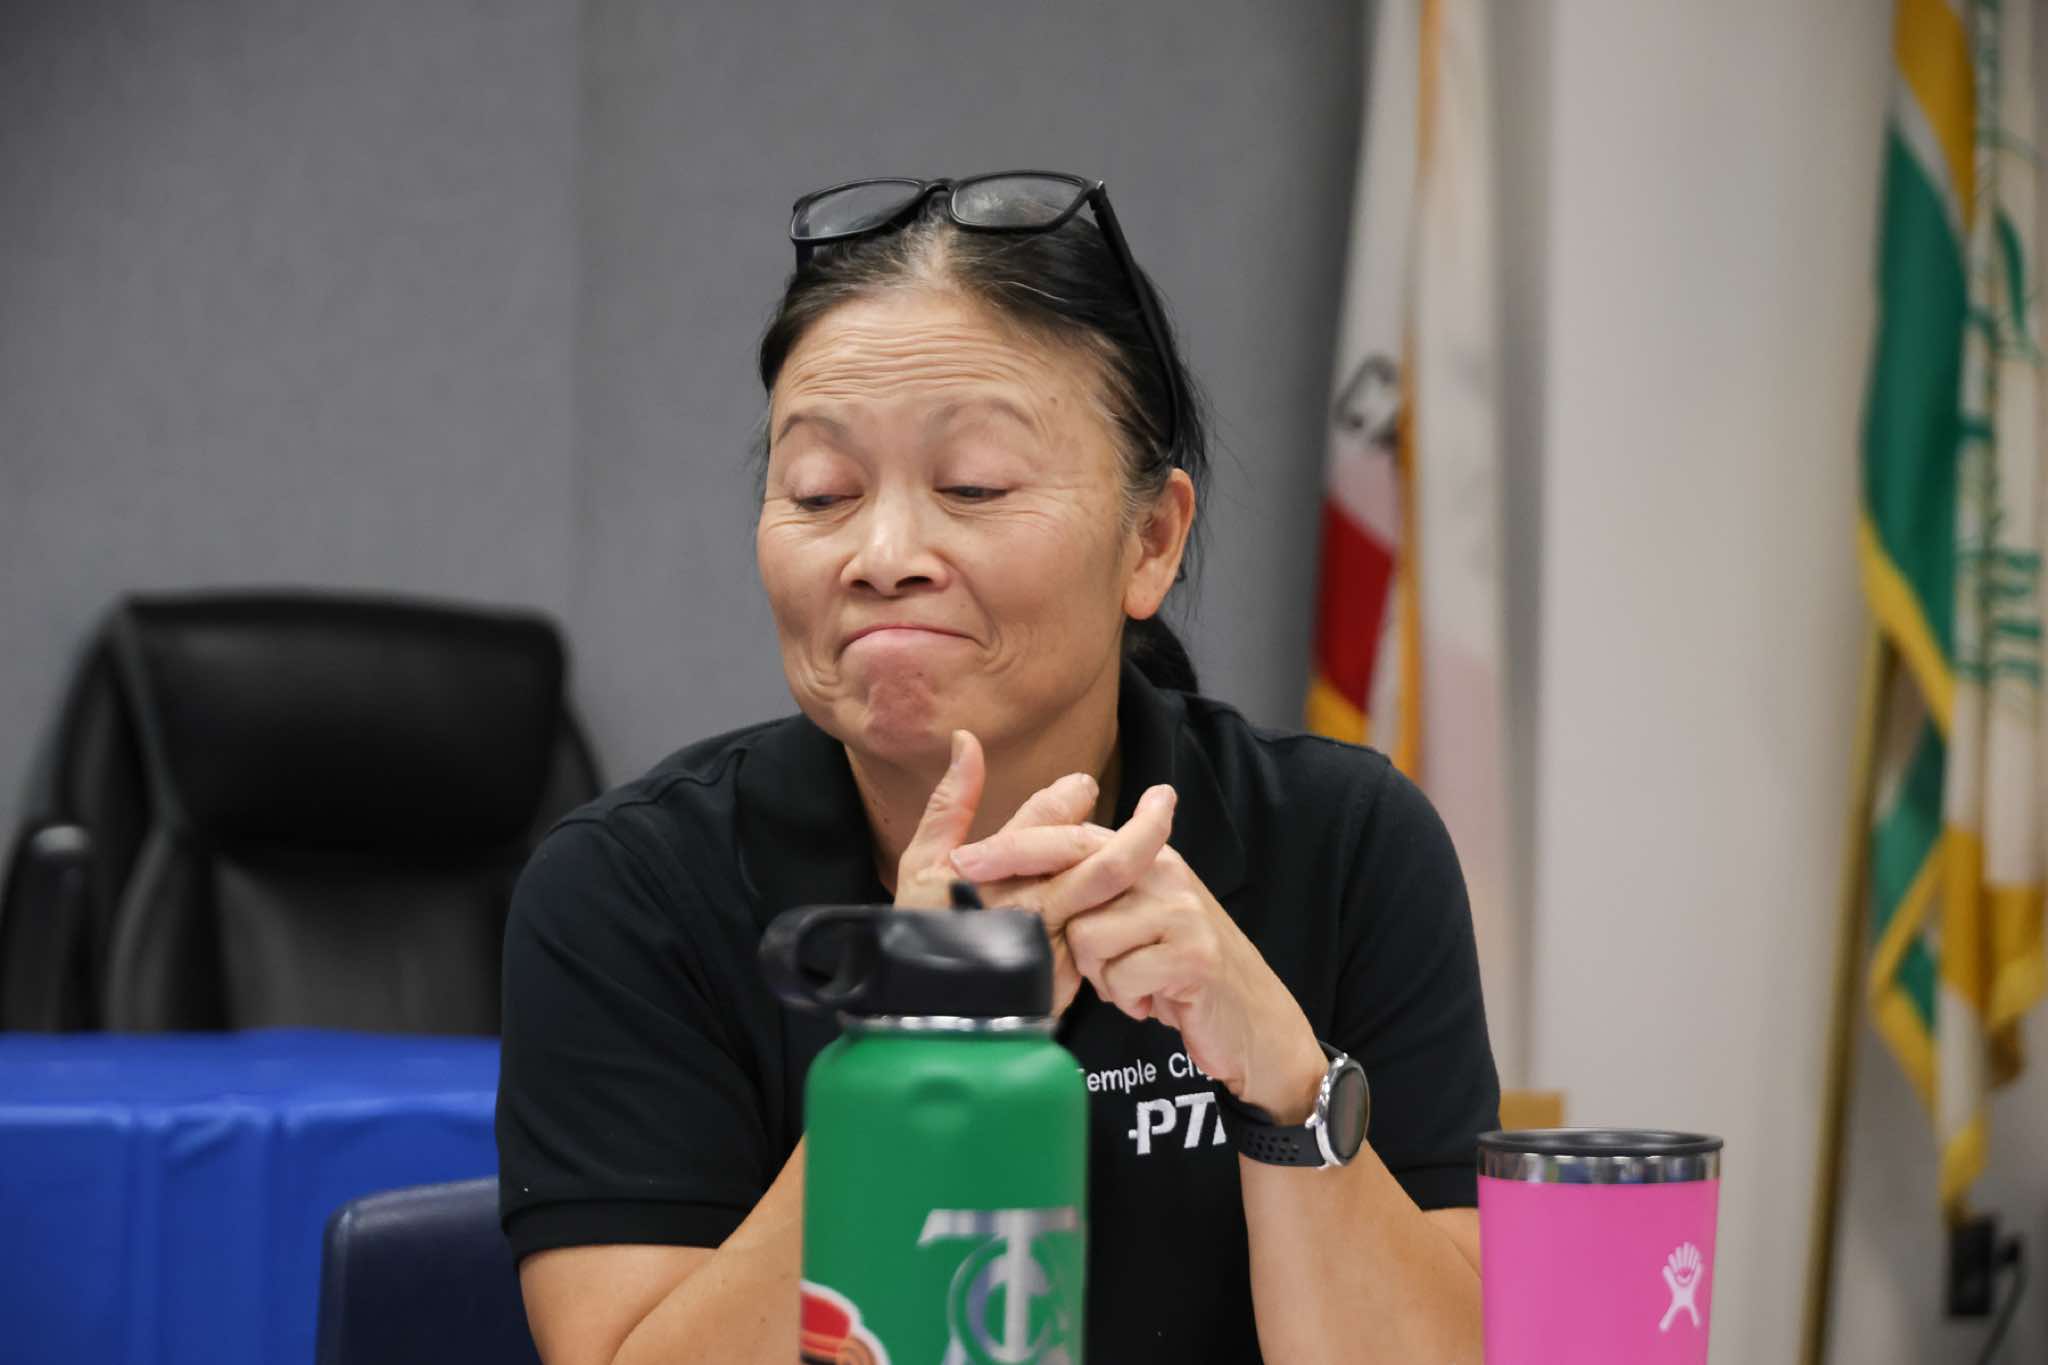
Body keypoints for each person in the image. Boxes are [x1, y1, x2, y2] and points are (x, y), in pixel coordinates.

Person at [497, 172, 1499, 1365]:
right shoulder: (629, 890)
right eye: (821, 491)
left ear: (1151, 541)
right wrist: (910, 1056)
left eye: (971, 486)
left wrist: (1283, 1081)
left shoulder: (1342, 842)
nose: (882, 554)